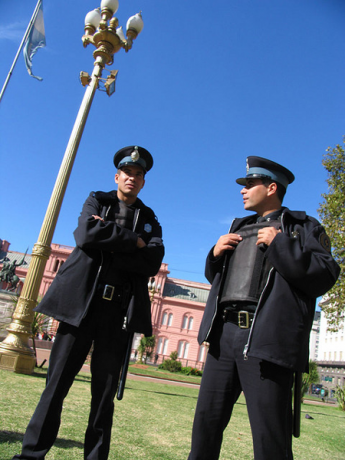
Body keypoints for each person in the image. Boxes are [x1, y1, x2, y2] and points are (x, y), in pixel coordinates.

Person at [12, 145, 164, 460]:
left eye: (138, 175)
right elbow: (85, 233)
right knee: (55, 387)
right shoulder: (98, 200)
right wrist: (132, 242)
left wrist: (112, 239)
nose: (132, 179)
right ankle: (31, 454)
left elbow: (151, 261)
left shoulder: (150, 220)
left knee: (103, 396)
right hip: (80, 307)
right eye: (127, 173)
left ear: (143, 181)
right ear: (117, 175)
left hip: (118, 313)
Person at [188, 156, 340, 460]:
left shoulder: (302, 227)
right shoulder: (238, 227)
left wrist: (281, 244)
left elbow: (325, 274)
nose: (243, 190)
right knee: (205, 427)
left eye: (249, 184)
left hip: (266, 341)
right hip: (223, 338)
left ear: (272, 187)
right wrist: (214, 255)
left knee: (271, 438)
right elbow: (221, 283)